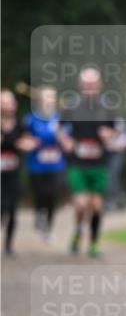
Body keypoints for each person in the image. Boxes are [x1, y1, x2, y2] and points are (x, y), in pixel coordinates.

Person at [60, 67, 117, 257]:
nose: (89, 88)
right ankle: (77, 231)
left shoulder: (107, 108)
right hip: (78, 163)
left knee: (97, 206)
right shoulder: (72, 107)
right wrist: (66, 141)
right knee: (81, 204)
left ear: (99, 85)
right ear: (81, 86)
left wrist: (108, 135)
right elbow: (59, 128)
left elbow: (116, 132)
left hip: (99, 164)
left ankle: (93, 242)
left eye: (92, 84)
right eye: (86, 84)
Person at [24, 86, 67, 243]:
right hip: (36, 165)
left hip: (56, 164)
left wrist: (60, 133)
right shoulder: (31, 119)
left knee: (52, 195)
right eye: (46, 97)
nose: (49, 100)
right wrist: (30, 142)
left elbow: (66, 141)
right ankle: (39, 214)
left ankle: (48, 228)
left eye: (52, 97)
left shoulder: (60, 119)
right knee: (40, 195)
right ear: (40, 100)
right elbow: (24, 138)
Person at [1, 89, 30, 256]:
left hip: (13, 173)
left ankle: (8, 245)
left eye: (9, 102)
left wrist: (26, 144)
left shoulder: (20, 125)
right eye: (3, 102)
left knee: (11, 209)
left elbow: (29, 142)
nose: (6, 106)